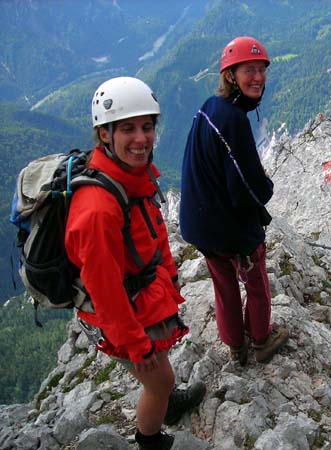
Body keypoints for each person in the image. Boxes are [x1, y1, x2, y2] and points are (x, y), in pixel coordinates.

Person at [66, 77, 205, 450]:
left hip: (141, 294)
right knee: (158, 379)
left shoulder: (131, 175)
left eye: (147, 126)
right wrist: (136, 347)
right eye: (128, 128)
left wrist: (169, 275)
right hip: (121, 313)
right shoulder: (97, 207)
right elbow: (104, 289)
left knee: (159, 374)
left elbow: (150, 227)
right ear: (104, 135)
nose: (141, 138)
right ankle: (150, 440)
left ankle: (165, 401)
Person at [180, 36, 289, 366]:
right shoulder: (233, 120)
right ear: (231, 75)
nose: (258, 77)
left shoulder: (210, 108)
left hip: (200, 223)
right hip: (226, 227)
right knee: (255, 281)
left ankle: (235, 347)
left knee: (224, 284)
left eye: (261, 70)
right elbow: (248, 188)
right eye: (249, 70)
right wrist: (266, 187)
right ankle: (261, 340)